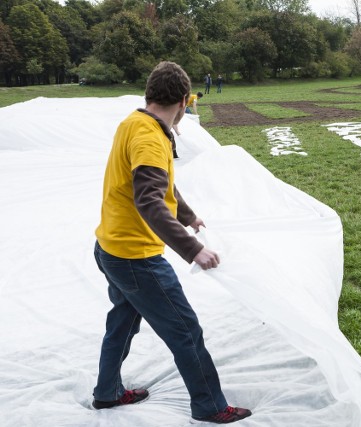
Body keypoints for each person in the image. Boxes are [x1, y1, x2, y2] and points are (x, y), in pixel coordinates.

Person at [91, 61, 251, 424]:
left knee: (122, 323)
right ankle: (210, 406)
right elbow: (149, 200)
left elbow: (160, 184)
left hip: (109, 248)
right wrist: (194, 249)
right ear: (183, 100)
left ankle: (107, 393)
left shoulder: (134, 122)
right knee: (185, 331)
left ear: (149, 95)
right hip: (135, 258)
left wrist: (187, 215)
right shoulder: (150, 136)